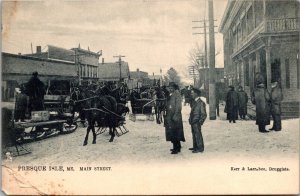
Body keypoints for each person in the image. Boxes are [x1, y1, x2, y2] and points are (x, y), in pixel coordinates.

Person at [164, 82, 185, 154]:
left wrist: (175, 116)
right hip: (170, 116)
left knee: (175, 132)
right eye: (169, 87)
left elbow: (178, 107)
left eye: (171, 87)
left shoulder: (177, 94)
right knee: (172, 132)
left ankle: (176, 148)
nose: (170, 89)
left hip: (175, 117)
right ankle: (177, 147)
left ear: (174, 88)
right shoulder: (171, 94)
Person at [188, 88, 207, 153]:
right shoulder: (194, 101)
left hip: (197, 122)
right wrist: (190, 119)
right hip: (193, 121)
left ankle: (200, 148)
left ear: (196, 94)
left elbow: (204, 114)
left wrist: (200, 122)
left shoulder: (201, 102)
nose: (191, 94)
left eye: (192, 93)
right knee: (194, 134)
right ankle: (195, 146)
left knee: (198, 134)